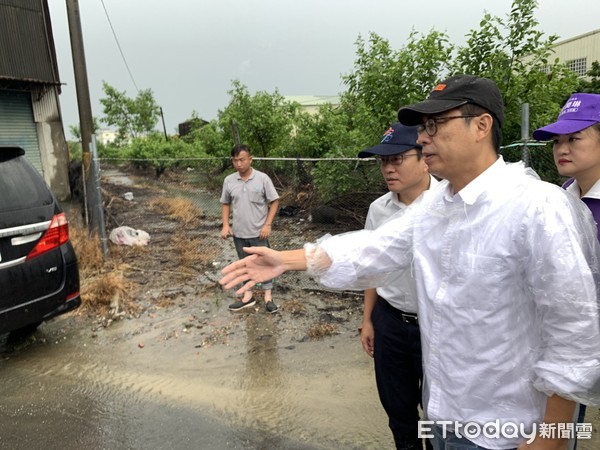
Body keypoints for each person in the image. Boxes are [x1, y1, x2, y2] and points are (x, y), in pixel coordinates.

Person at [220, 75, 600, 450]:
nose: (421, 137)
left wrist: (549, 438)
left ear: (481, 125)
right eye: (422, 127)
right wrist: (287, 260)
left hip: (507, 431)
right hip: (445, 417)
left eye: (435, 125)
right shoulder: (438, 206)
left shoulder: (537, 207)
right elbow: (376, 247)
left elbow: (573, 329)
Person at [357, 122, 438, 450]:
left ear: (424, 158)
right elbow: (371, 267)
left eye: (398, 159)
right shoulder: (379, 209)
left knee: (438, 410)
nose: (388, 168)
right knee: (398, 409)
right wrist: (368, 320)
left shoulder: (448, 204)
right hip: (390, 322)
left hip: (436, 326)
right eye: (383, 161)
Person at [533, 92, 600, 450]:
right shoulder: (561, 198)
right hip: (570, 343)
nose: (562, 148)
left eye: (574, 138)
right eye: (558, 140)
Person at [220, 143, 280, 313]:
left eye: (242, 160)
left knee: (266, 264)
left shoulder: (262, 179)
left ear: (250, 159)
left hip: (259, 234)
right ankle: (248, 297)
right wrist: (225, 225)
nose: (239, 164)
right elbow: (225, 203)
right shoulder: (229, 181)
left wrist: (267, 224)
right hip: (239, 234)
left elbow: (274, 201)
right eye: (235, 160)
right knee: (244, 265)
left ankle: (268, 297)